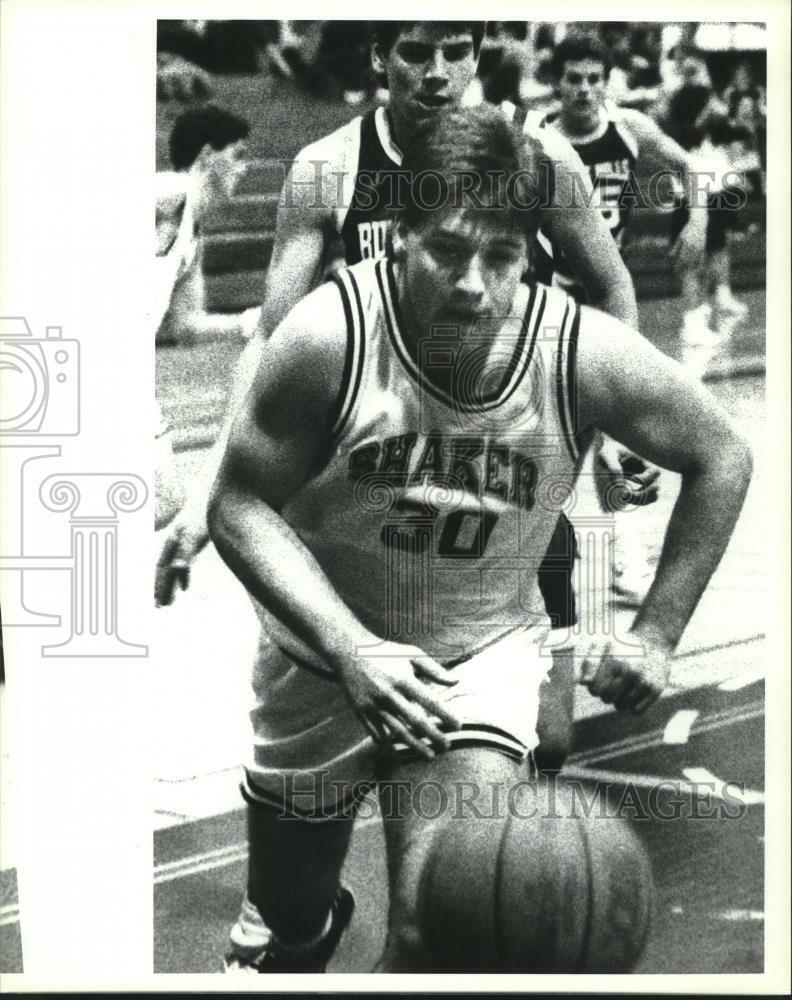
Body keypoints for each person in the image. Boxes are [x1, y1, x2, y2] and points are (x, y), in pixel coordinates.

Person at [207, 105, 751, 973]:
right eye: (449, 251)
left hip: (475, 661)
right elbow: (236, 506)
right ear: (398, 240)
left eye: (500, 258)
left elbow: (722, 455)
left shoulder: (576, 350)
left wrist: (656, 631)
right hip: (319, 661)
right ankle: (303, 929)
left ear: (529, 255)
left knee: (447, 934)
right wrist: (352, 650)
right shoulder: (328, 338)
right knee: (289, 920)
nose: (473, 284)